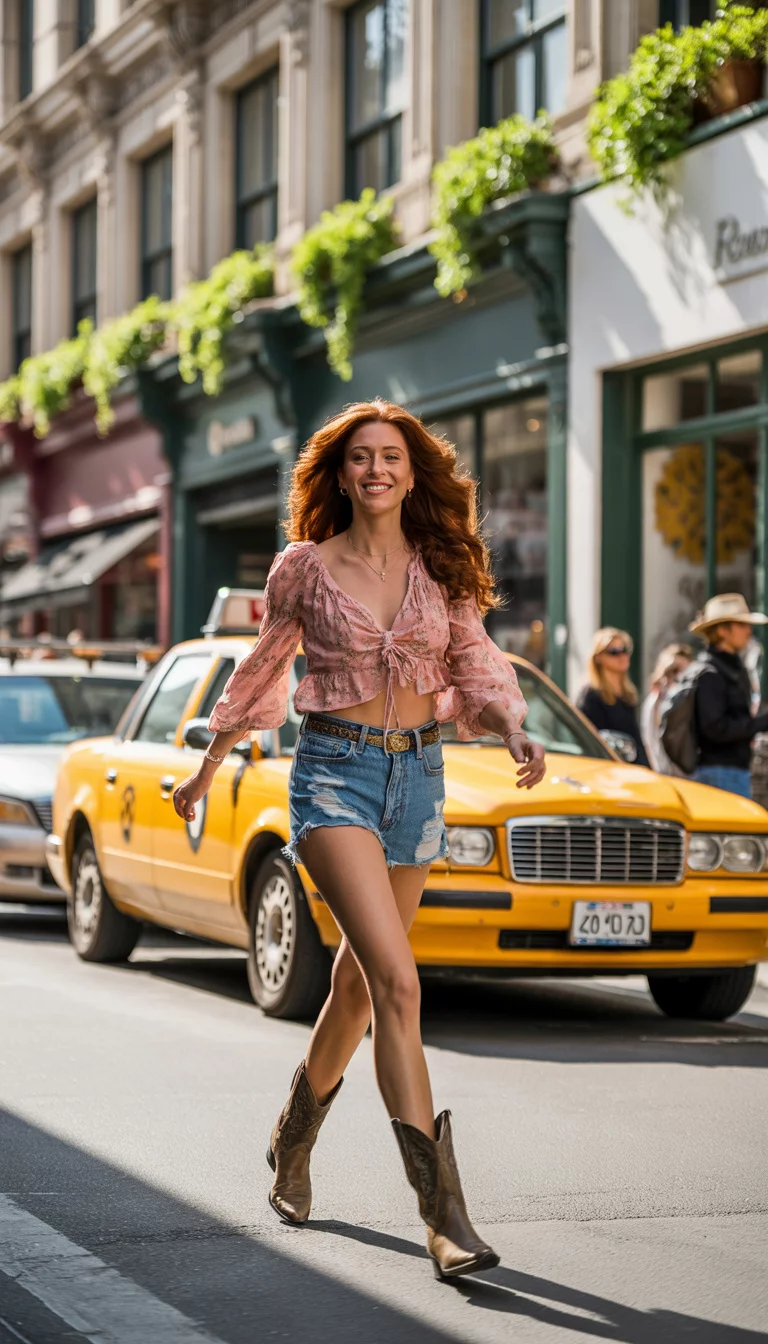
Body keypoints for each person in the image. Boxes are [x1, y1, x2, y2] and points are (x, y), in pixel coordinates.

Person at [172, 399, 546, 1281]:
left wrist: (512, 724)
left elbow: (474, 661)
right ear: (339, 474)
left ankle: (291, 1139)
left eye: (391, 457)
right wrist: (207, 763)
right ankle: (444, 1215)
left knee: (355, 982)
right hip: (334, 772)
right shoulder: (306, 566)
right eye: (360, 458)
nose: (377, 469)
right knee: (398, 982)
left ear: (413, 473)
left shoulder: (441, 567)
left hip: (418, 777)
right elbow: (262, 664)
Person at [687, 593, 768, 799]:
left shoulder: (731, 668)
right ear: (723, 630)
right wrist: (761, 723)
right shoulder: (710, 673)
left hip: (733, 771)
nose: (748, 631)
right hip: (719, 773)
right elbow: (716, 729)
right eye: (741, 625)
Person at [575, 627, 649, 766]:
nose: (622, 656)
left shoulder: (628, 693)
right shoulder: (591, 695)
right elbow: (590, 741)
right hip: (608, 770)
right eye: (614, 652)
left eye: (624, 650)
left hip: (635, 767)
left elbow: (635, 738)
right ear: (598, 657)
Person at [640, 643, 694, 774]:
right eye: (674, 670)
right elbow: (649, 742)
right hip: (663, 773)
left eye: (685, 673)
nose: (678, 677)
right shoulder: (654, 702)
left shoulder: (693, 699)